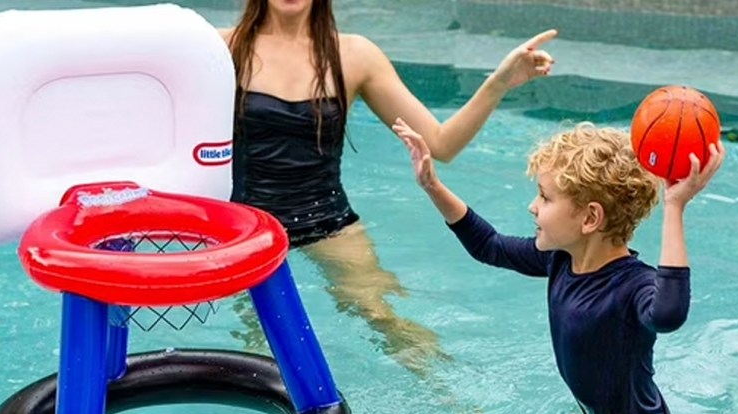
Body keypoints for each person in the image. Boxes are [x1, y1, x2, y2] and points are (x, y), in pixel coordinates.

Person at [392, 116, 725, 414]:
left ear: (590, 218)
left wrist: (674, 207)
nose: (533, 206)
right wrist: (432, 186)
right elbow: (490, 246)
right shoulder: (560, 260)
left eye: (545, 197)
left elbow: (669, 314)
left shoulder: (632, 288)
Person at [219, 0, 556, 377]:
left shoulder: (354, 55)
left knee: (381, 314)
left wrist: (499, 82)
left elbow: (441, 144)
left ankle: (458, 403)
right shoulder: (221, 48)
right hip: (248, 229)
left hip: (328, 221)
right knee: (254, 336)